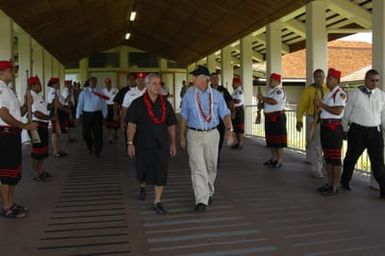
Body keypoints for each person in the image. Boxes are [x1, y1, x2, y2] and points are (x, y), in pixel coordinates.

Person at [180, 65, 233, 212]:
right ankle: (201, 199)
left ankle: (208, 191)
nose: (193, 79)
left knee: (211, 166)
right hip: (194, 134)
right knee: (198, 167)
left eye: (196, 76)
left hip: (212, 134)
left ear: (204, 79)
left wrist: (229, 131)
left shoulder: (217, 95)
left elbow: (225, 113)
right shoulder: (189, 95)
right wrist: (181, 136)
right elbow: (184, 116)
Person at [127, 73, 177, 215]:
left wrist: (173, 143)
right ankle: (142, 185)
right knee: (142, 169)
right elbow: (132, 124)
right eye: (154, 83)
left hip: (161, 144)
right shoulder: (137, 103)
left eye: (159, 83)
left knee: (161, 171)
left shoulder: (165, 103)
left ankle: (157, 201)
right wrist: (130, 143)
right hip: (142, 144)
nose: (158, 86)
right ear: (147, 85)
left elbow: (171, 124)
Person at [0, 60, 37, 218]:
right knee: (6, 173)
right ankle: (6, 207)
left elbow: (17, 113)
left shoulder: (10, 90)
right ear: (1, 73)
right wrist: (24, 127)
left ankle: (11, 203)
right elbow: (4, 115)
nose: (12, 74)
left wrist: (26, 104)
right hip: (5, 134)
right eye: (10, 71)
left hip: (13, 134)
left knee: (13, 172)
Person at [341, 69, 385, 199]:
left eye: (377, 80)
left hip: (375, 132)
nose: (375, 83)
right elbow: (347, 113)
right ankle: (345, 180)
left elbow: (383, 116)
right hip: (357, 131)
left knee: (378, 162)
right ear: (366, 80)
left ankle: (383, 189)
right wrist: (344, 128)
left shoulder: (382, 95)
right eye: (372, 80)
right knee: (351, 158)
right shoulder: (355, 94)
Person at [315, 68, 346, 195]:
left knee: (335, 159)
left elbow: (338, 111)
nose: (327, 80)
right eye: (327, 78)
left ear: (337, 80)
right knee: (327, 157)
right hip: (326, 128)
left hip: (334, 129)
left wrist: (321, 105)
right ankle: (329, 183)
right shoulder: (329, 93)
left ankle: (335, 186)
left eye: (330, 78)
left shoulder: (340, 94)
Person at [296, 69, 328, 178]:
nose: (319, 78)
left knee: (326, 145)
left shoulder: (327, 89)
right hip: (314, 120)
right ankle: (316, 169)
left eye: (321, 76)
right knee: (317, 145)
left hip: (326, 120)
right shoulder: (309, 90)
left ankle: (325, 166)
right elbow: (301, 105)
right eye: (317, 76)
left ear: (324, 77)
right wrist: (299, 119)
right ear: (314, 78)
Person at [258, 73, 287, 168]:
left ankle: (279, 160)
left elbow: (273, 101)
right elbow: (268, 102)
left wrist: (262, 98)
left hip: (277, 118)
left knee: (278, 141)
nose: (270, 81)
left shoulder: (279, 91)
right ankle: (274, 158)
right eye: (270, 80)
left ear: (278, 81)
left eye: (272, 80)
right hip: (269, 118)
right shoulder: (271, 91)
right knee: (271, 140)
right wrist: (261, 104)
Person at [76, 77, 108, 158]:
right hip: (86, 115)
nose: (93, 83)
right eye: (92, 81)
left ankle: (97, 151)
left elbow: (104, 104)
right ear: (89, 82)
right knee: (85, 133)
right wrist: (77, 116)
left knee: (98, 133)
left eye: (95, 81)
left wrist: (105, 116)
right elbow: (80, 104)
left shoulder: (100, 92)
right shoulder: (84, 92)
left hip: (97, 115)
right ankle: (90, 145)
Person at [28, 76, 52, 182]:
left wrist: (51, 106)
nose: (41, 86)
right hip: (36, 127)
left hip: (43, 126)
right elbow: (36, 113)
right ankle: (37, 174)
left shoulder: (38, 96)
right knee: (37, 153)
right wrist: (49, 117)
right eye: (38, 84)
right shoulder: (30, 96)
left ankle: (41, 171)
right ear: (32, 86)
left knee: (42, 152)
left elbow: (44, 108)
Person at [210, 72, 234, 163]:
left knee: (219, 139)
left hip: (221, 119)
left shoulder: (223, 90)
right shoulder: (207, 90)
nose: (215, 79)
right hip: (210, 120)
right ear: (210, 80)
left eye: (217, 78)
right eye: (213, 78)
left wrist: (233, 111)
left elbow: (230, 101)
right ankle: (210, 158)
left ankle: (216, 159)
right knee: (211, 139)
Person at [47, 77, 68, 158]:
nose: (58, 84)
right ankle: (55, 151)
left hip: (60, 112)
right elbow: (56, 104)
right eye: (57, 83)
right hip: (56, 112)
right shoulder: (52, 92)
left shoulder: (57, 92)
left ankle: (59, 149)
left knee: (59, 132)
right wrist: (65, 109)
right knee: (55, 132)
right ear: (53, 84)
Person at [103, 78, 119, 143]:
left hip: (114, 107)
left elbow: (118, 99)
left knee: (115, 123)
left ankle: (115, 133)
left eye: (109, 82)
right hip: (106, 107)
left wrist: (117, 108)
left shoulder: (115, 90)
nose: (108, 84)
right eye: (106, 83)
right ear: (105, 83)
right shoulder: (103, 91)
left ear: (111, 83)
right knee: (108, 123)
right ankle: (110, 137)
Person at [231, 77, 245, 150]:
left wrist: (229, 101)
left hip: (239, 110)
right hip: (234, 110)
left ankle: (240, 143)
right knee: (236, 128)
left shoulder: (239, 91)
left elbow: (237, 101)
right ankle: (238, 142)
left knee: (240, 128)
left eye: (234, 83)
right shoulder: (234, 91)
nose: (232, 84)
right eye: (233, 83)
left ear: (238, 84)